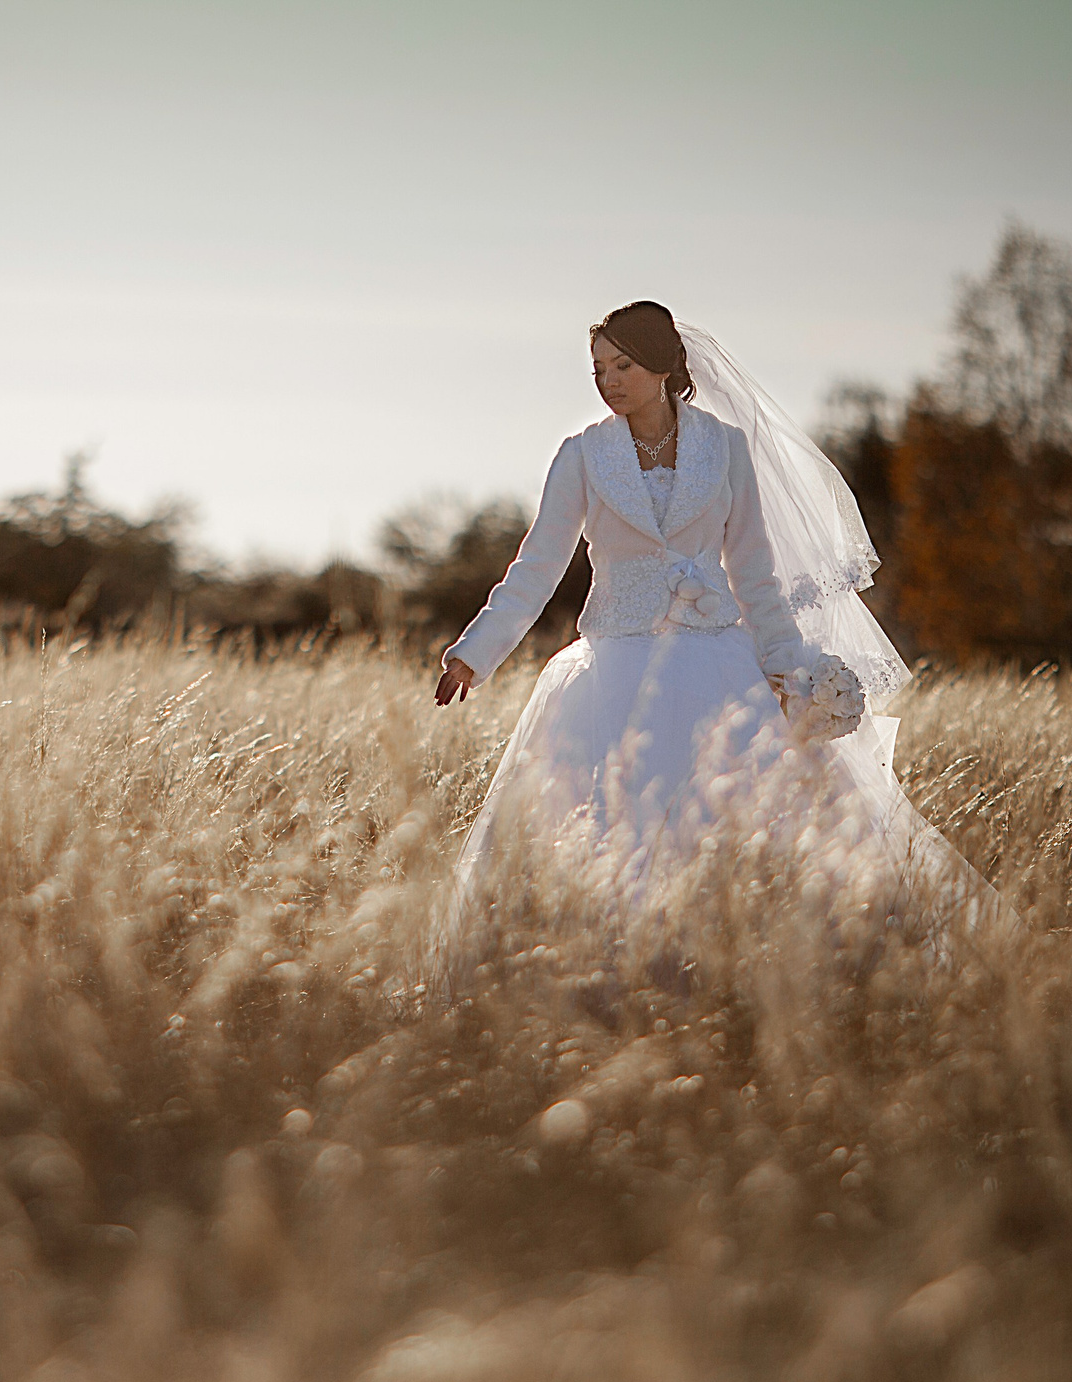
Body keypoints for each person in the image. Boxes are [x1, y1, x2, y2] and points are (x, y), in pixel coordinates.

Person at [427, 301, 1003, 984]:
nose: (608, 381)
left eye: (623, 365)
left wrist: (792, 672)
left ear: (666, 366)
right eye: (598, 369)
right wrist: (475, 651)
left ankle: (747, 978)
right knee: (613, 833)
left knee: (752, 831)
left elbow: (755, 574)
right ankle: (606, 980)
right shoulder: (583, 455)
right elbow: (538, 566)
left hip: (716, 664)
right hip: (614, 671)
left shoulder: (725, 447)